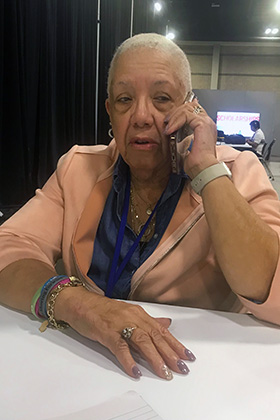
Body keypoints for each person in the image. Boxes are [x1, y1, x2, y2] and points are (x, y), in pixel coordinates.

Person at [0, 33, 280, 382]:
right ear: (110, 112)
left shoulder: (237, 173)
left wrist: (207, 172)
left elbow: (274, 290)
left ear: (191, 106)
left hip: (199, 378)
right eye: (124, 99)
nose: (142, 115)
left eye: (162, 98)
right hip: (88, 365)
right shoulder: (78, 168)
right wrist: (78, 304)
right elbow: (10, 246)